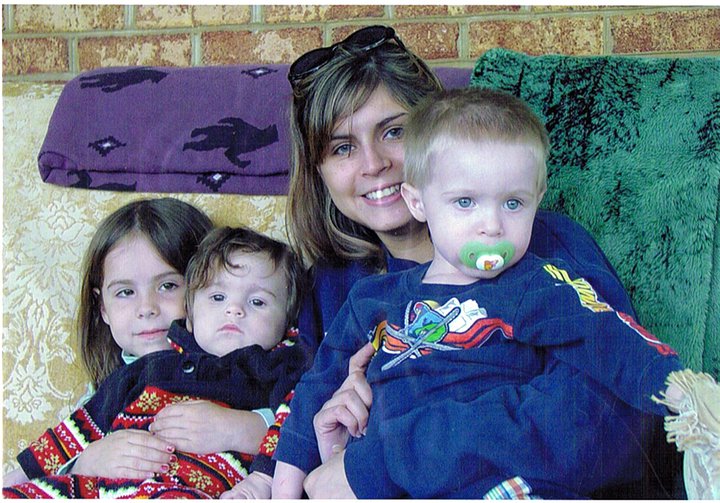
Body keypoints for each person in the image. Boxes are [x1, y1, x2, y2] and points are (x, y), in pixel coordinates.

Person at [268, 25, 678, 498]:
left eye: (394, 131)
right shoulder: (347, 287)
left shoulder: (539, 249)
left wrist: (383, 457)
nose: (373, 163)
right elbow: (304, 402)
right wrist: (305, 461)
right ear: (319, 173)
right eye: (342, 147)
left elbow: (611, 419)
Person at [3, 226, 308, 498]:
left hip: (187, 489)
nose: (234, 310)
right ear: (191, 311)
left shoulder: (283, 369)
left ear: (288, 319)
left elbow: (298, 427)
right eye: (217, 298)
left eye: (257, 302)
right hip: (102, 486)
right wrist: (18, 478)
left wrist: (260, 478)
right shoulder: (149, 369)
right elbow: (77, 427)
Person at [2, 197, 213, 487]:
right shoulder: (102, 394)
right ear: (103, 308)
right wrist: (86, 464)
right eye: (125, 292)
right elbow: (46, 466)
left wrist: (243, 430)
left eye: (168, 285)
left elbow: (286, 425)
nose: (146, 307)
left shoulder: (238, 367)